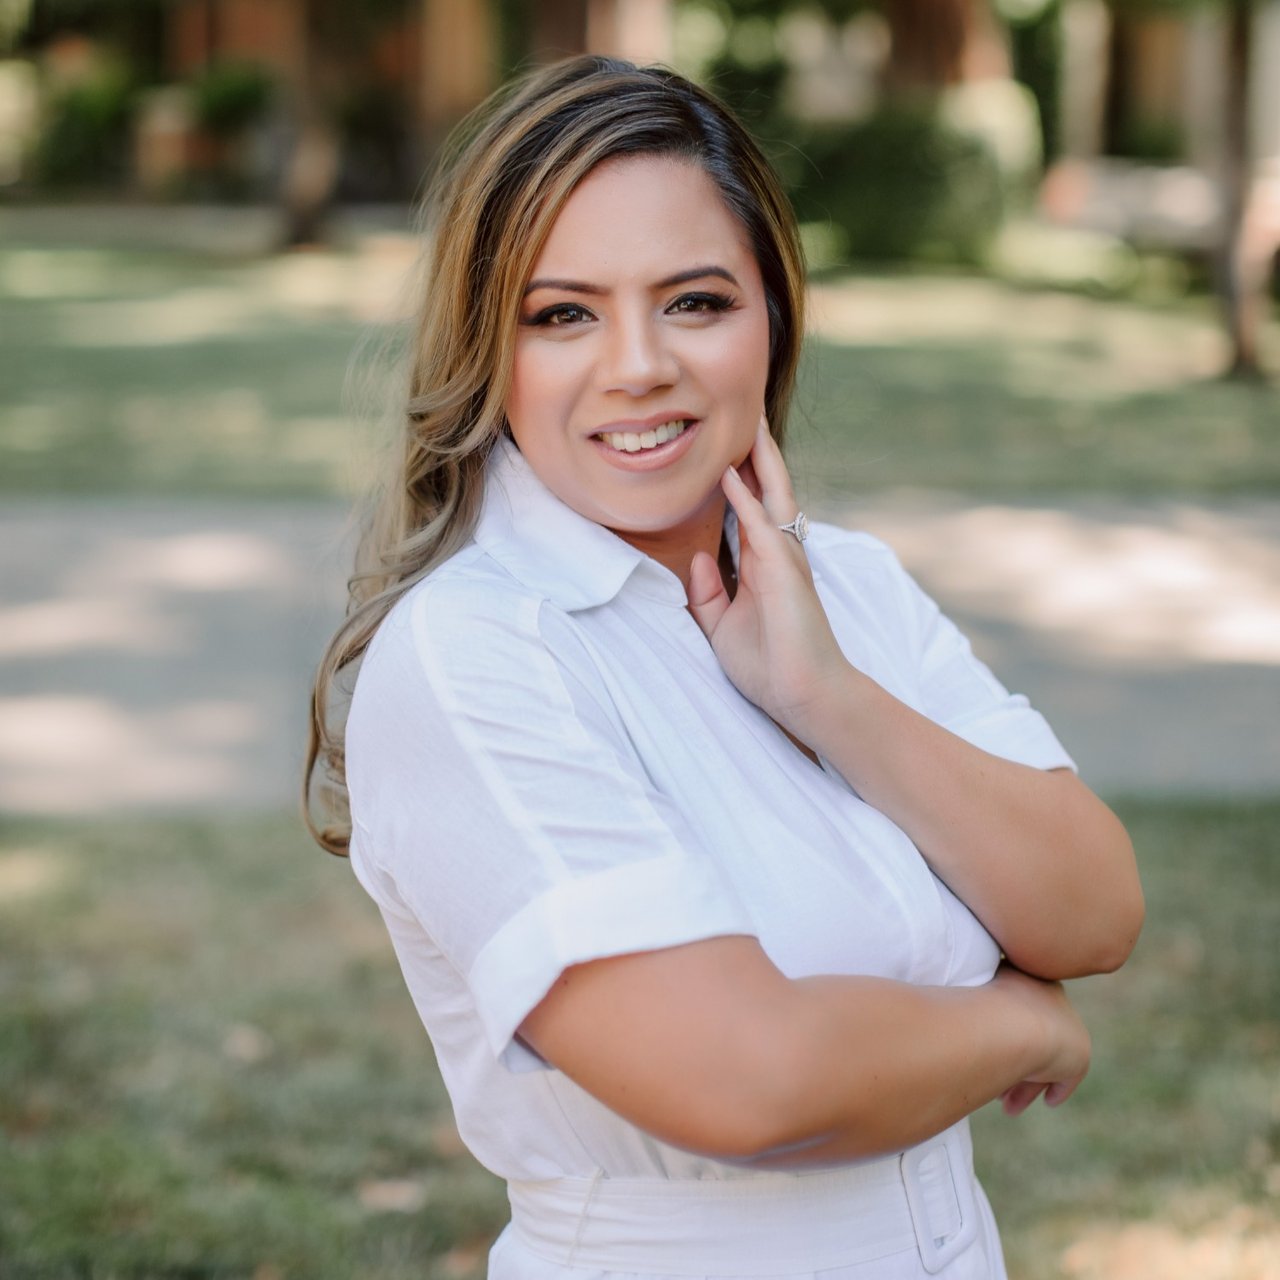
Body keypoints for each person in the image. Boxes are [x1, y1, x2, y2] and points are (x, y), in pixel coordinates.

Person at [303, 55, 1144, 1280]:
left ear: (771, 314)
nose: (638, 364)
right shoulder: (472, 652)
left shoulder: (847, 584)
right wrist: (1016, 1022)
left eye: (694, 300)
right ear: (490, 350)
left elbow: (1092, 908)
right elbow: (745, 1079)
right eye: (562, 314)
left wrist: (826, 696)